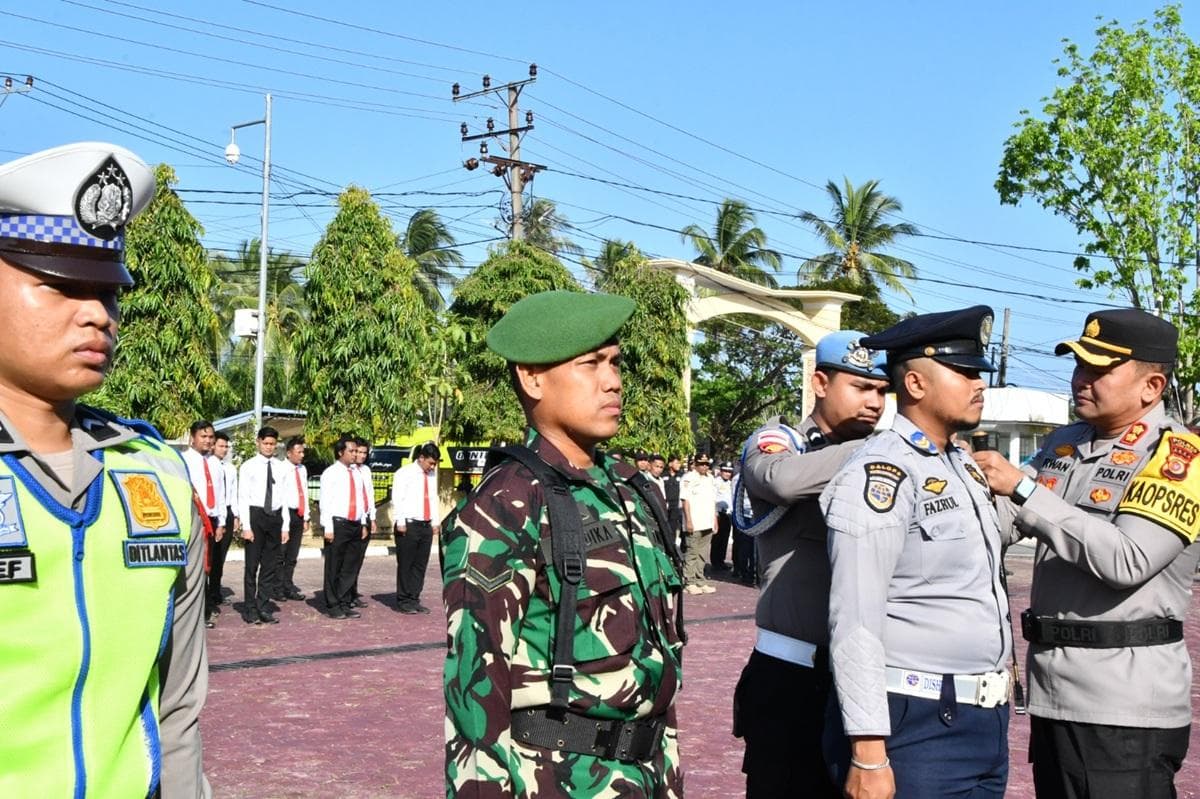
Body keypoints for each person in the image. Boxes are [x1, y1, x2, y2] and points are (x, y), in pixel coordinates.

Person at [0, 142, 209, 795]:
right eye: (62, 285)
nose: (96, 314)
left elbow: (177, 710)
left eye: (108, 293)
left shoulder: (155, 476)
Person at [442, 290, 686, 797]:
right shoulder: (507, 503)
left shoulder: (627, 488)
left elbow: (655, 656)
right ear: (533, 378)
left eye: (615, 363)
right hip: (556, 778)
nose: (614, 381)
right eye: (591, 364)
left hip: (647, 771)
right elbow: (474, 676)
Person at [973, 309, 1200, 799]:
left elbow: (1128, 559)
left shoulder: (1179, 458)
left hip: (1124, 709)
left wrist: (1024, 492)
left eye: (1099, 370)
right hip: (1053, 694)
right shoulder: (1063, 446)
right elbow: (996, 527)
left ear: (1151, 386)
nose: (1082, 379)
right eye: (1079, 366)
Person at [820, 306, 1013, 798]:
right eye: (964, 372)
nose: (978, 385)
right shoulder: (883, 471)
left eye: (979, 373)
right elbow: (855, 616)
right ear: (916, 384)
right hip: (915, 721)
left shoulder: (962, 468)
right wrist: (868, 752)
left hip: (983, 721)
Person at [732, 329, 889, 799]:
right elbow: (779, 481)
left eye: (883, 391)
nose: (875, 403)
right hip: (791, 679)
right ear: (820, 383)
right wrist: (885, 448)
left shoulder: (889, 457)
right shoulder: (782, 442)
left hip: (865, 682)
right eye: (861, 387)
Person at [238, 425, 287, 625]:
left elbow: (284, 496)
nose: (269, 447)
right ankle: (250, 608)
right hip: (256, 515)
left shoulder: (281, 466)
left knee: (270, 565)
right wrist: (246, 526)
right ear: (258, 442)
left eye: (272, 444)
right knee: (252, 565)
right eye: (265, 443)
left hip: (275, 517)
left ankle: (263, 606)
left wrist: (285, 526)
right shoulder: (248, 466)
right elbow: (243, 497)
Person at [181, 420, 226, 628]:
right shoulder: (183, 461)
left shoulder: (216, 463)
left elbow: (220, 494)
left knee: (209, 567)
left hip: (213, 519)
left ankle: (206, 609)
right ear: (193, 437)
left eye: (211, 437)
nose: (208, 441)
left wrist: (221, 522)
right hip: (195, 518)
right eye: (203, 436)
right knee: (194, 567)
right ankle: (192, 612)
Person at [319, 434, 366, 619]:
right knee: (334, 565)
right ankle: (333, 604)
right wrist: (328, 527)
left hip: (355, 523)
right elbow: (325, 502)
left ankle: (345, 601)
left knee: (350, 566)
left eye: (356, 451)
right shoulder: (331, 473)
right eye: (351, 451)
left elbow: (361, 499)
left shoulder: (357, 472)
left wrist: (362, 523)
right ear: (341, 452)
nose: (355, 454)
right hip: (338, 524)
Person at [390, 441, 440, 614]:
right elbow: (397, 498)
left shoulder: (432, 475)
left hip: (425, 524)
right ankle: (403, 600)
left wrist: (435, 521)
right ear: (421, 458)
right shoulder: (405, 473)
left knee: (420, 565)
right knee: (406, 563)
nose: (432, 466)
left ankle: (414, 598)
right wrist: (400, 521)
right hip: (409, 524)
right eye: (430, 463)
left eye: (434, 464)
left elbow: (433, 497)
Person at [208, 431, 239, 616]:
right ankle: (206, 596)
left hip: (227, 511)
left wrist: (235, 515)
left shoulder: (230, 468)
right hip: (212, 512)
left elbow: (233, 492)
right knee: (210, 555)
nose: (224, 449)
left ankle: (215, 591)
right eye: (221, 445)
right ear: (213, 446)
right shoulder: (209, 465)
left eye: (226, 446)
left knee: (221, 555)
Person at [681, 452, 718, 594]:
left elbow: (712, 501)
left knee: (702, 553)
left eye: (706, 464)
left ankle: (699, 580)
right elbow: (685, 501)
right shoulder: (689, 478)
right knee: (692, 553)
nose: (704, 466)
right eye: (701, 464)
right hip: (694, 522)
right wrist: (689, 521)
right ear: (695, 464)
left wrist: (714, 520)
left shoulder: (710, 478)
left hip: (707, 521)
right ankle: (689, 582)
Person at [277, 435, 308, 601]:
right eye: (299, 452)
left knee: (292, 555)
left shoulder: (302, 469)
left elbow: (304, 491)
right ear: (289, 453)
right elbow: (280, 496)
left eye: (303, 452)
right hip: (284, 513)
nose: (302, 455)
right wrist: (284, 523)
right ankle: (277, 587)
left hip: (299, 513)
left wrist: (307, 516)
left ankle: (288, 586)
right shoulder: (281, 468)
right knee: (281, 553)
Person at [349, 436, 376, 609]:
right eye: (358, 452)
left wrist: (372, 518)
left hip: (366, 518)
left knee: (358, 559)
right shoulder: (348, 470)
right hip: (353, 520)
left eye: (365, 452)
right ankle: (346, 593)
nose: (361, 455)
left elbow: (370, 495)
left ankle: (353, 591)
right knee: (349, 560)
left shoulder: (366, 470)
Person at [711, 460, 734, 571]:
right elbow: (713, 499)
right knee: (717, 539)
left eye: (729, 472)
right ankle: (714, 562)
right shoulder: (715, 482)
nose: (727, 473)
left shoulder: (731, 483)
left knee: (724, 538)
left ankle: (721, 560)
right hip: (718, 514)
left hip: (728, 514)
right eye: (725, 471)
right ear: (721, 471)